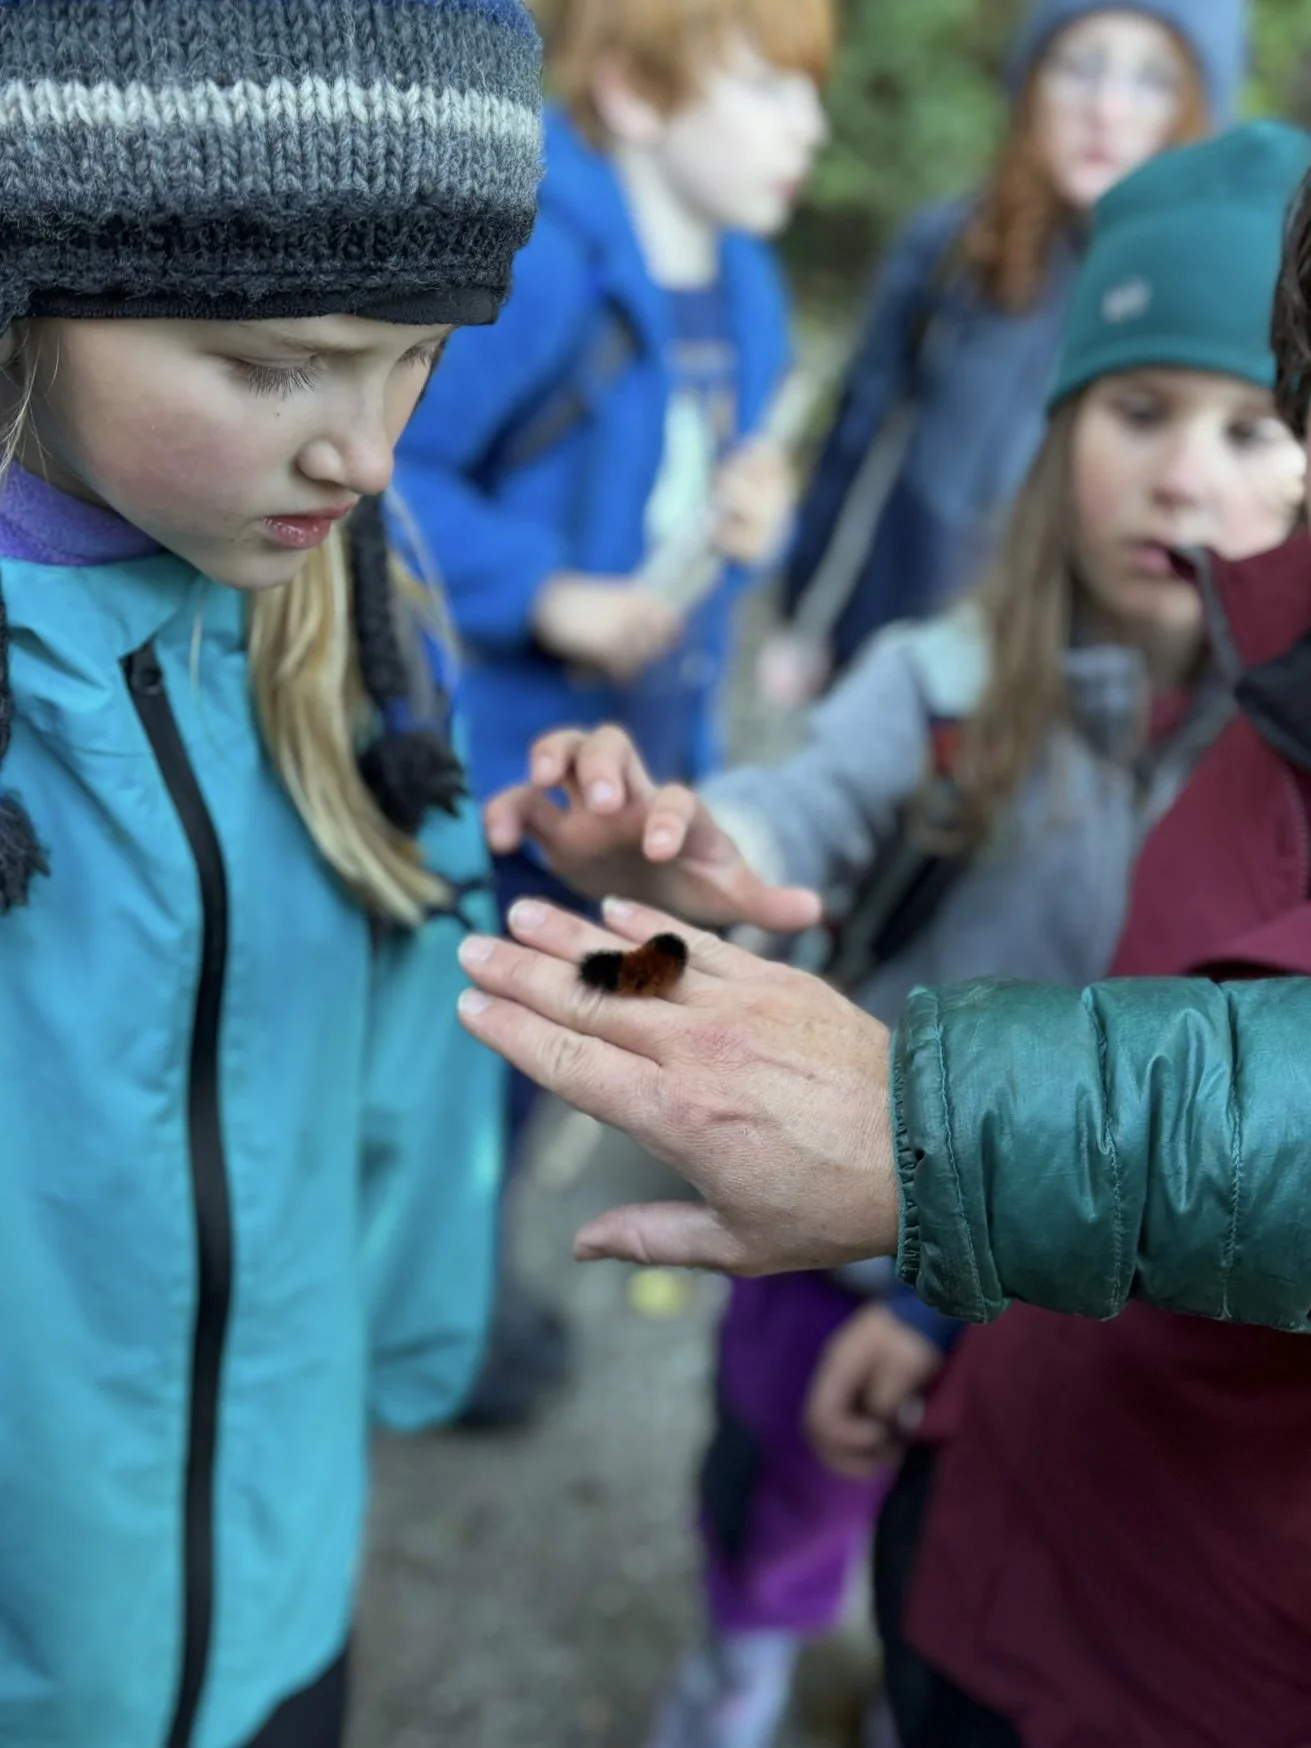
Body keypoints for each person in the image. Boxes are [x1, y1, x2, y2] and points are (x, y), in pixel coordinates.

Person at [473, 120, 1311, 1748]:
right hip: (823, 1233)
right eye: (1137, 410)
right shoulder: (934, 681)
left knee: (893, 1500)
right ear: (1057, 428)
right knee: (775, 1486)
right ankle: (743, 1659)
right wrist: (685, 855)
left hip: (1030, 1289)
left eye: (1248, 425)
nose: (1186, 469)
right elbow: (788, 835)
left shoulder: (1254, 724)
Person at [0, 3, 542, 1745]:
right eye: (271, 361)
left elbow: (400, 1019)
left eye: (418, 355)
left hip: (279, 1597)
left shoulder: (362, 621)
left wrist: (409, 1335)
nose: (368, 454)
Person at [395, 0, 832, 1424]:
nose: (805, 130)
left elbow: (711, 481)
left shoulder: (750, 284)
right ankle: (412, 1312)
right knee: (445, 1056)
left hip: (636, 775)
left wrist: (753, 518)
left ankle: (461, 1277)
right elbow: (379, 472)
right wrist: (549, 593)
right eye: (767, 90)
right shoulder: (537, 267)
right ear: (637, 97)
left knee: (567, 1039)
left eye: (811, 96)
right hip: (494, 765)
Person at [761, 0, 1245, 710]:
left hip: (1055, 700)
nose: (1106, 108)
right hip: (886, 657)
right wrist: (803, 616)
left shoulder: (1215, 303)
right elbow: (856, 445)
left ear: (1196, 112)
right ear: (1030, 83)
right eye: (1079, 66)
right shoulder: (951, 251)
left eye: (1152, 80)